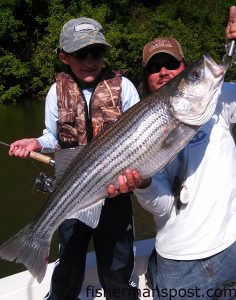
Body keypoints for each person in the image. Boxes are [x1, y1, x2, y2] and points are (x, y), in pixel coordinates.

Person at [107, 6, 236, 300]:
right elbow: (164, 207)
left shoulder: (221, 100)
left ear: (182, 68)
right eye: (154, 67)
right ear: (147, 78)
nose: (163, 71)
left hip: (232, 247)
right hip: (180, 265)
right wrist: (142, 183)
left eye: (173, 65)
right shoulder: (140, 129)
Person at [9, 17, 140, 300]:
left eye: (97, 52)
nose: (90, 60)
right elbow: (52, 137)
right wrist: (36, 143)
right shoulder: (55, 92)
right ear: (64, 57)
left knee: (118, 274)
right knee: (66, 270)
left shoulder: (125, 87)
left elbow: (139, 136)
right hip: (72, 192)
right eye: (81, 53)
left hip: (115, 195)